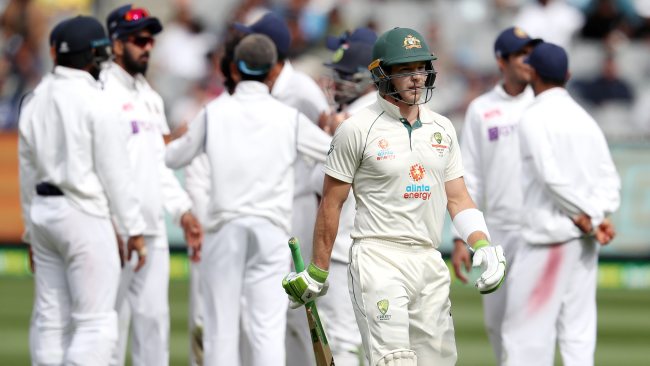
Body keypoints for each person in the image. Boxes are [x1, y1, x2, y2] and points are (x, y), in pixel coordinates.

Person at [283, 27, 507, 366]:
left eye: (420, 68)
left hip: (429, 258)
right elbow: (332, 202)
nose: (416, 78)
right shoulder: (357, 129)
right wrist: (318, 270)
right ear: (381, 74)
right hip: (377, 257)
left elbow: (458, 198)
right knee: (396, 361)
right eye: (405, 70)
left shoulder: (443, 129)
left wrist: (482, 244)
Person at [165, 34, 332, 366]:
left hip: (225, 228)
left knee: (221, 329)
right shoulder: (287, 116)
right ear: (271, 70)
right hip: (271, 230)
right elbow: (334, 153)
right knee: (267, 329)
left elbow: (172, 159)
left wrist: (174, 139)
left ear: (236, 71)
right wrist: (333, 129)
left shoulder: (213, 112)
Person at [18, 15, 147, 365]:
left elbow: (28, 172)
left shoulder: (34, 99)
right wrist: (133, 228)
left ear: (55, 54)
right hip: (83, 215)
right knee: (95, 322)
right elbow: (115, 172)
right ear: (97, 54)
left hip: (44, 215)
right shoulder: (98, 101)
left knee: (50, 319)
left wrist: (31, 231)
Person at [500, 42, 620, 366]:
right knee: (578, 335)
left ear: (532, 73)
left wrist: (587, 218)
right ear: (567, 75)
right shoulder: (585, 119)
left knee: (525, 336)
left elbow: (549, 177)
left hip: (548, 239)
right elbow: (612, 185)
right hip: (582, 242)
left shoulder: (533, 117)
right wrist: (594, 216)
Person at [101, 5, 203, 366]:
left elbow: (160, 164)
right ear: (115, 44)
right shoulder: (102, 93)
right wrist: (113, 222)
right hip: (114, 228)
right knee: (109, 327)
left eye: (150, 40)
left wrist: (183, 210)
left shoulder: (151, 97)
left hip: (153, 229)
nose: (147, 46)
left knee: (154, 325)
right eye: (138, 40)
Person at [232, 13, 333, 366]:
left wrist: (324, 202)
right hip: (270, 206)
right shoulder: (266, 89)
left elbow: (331, 146)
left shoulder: (300, 90)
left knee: (296, 301)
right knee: (263, 301)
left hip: (299, 206)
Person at [450, 26, 540, 364]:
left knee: (525, 327)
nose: (527, 60)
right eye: (520, 54)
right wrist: (462, 238)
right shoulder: (481, 109)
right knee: (496, 324)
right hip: (496, 232)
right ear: (501, 61)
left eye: (531, 53)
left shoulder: (544, 103)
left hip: (537, 231)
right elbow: (468, 175)